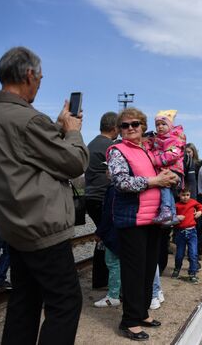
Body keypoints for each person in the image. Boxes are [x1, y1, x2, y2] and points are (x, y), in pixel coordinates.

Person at [0, 46, 89, 345]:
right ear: (29, 75)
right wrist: (73, 131)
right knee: (65, 303)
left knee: (24, 303)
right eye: (39, 78)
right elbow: (74, 162)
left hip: (15, 226)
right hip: (42, 228)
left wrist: (54, 127)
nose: (39, 84)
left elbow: (28, 154)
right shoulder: (27, 119)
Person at [106, 107, 178, 341]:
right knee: (134, 272)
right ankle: (129, 321)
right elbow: (121, 182)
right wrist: (154, 180)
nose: (130, 129)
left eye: (135, 124)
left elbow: (159, 174)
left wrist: (170, 178)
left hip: (152, 220)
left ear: (142, 126)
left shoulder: (146, 150)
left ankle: (142, 312)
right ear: (119, 129)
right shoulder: (117, 151)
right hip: (133, 220)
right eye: (125, 125)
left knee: (148, 269)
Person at [85, 111, 118, 288]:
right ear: (114, 128)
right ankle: (101, 279)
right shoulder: (110, 146)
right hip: (102, 197)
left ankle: (100, 279)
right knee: (107, 238)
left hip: (90, 195)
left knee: (102, 236)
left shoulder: (91, 143)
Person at [148, 109, 186, 225]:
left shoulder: (174, 139)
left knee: (164, 186)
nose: (160, 127)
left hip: (174, 169)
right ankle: (173, 215)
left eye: (163, 124)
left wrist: (155, 160)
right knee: (168, 190)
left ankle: (165, 210)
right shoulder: (161, 139)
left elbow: (172, 155)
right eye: (157, 125)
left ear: (170, 125)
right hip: (171, 169)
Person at [93, 179, 121, 308]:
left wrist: (100, 232)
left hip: (113, 232)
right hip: (124, 229)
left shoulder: (113, 188)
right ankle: (120, 292)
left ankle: (113, 295)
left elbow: (108, 213)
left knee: (113, 262)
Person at [172, 187, 202, 283]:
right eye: (183, 195)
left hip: (192, 232)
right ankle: (177, 269)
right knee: (179, 254)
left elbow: (200, 206)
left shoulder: (193, 202)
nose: (185, 197)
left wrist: (199, 212)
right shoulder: (176, 205)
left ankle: (192, 273)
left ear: (190, 195)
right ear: (179, 195)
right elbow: (170, 215)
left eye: (187, 195)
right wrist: (176, 217)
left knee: (193, 253)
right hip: (180, 233)